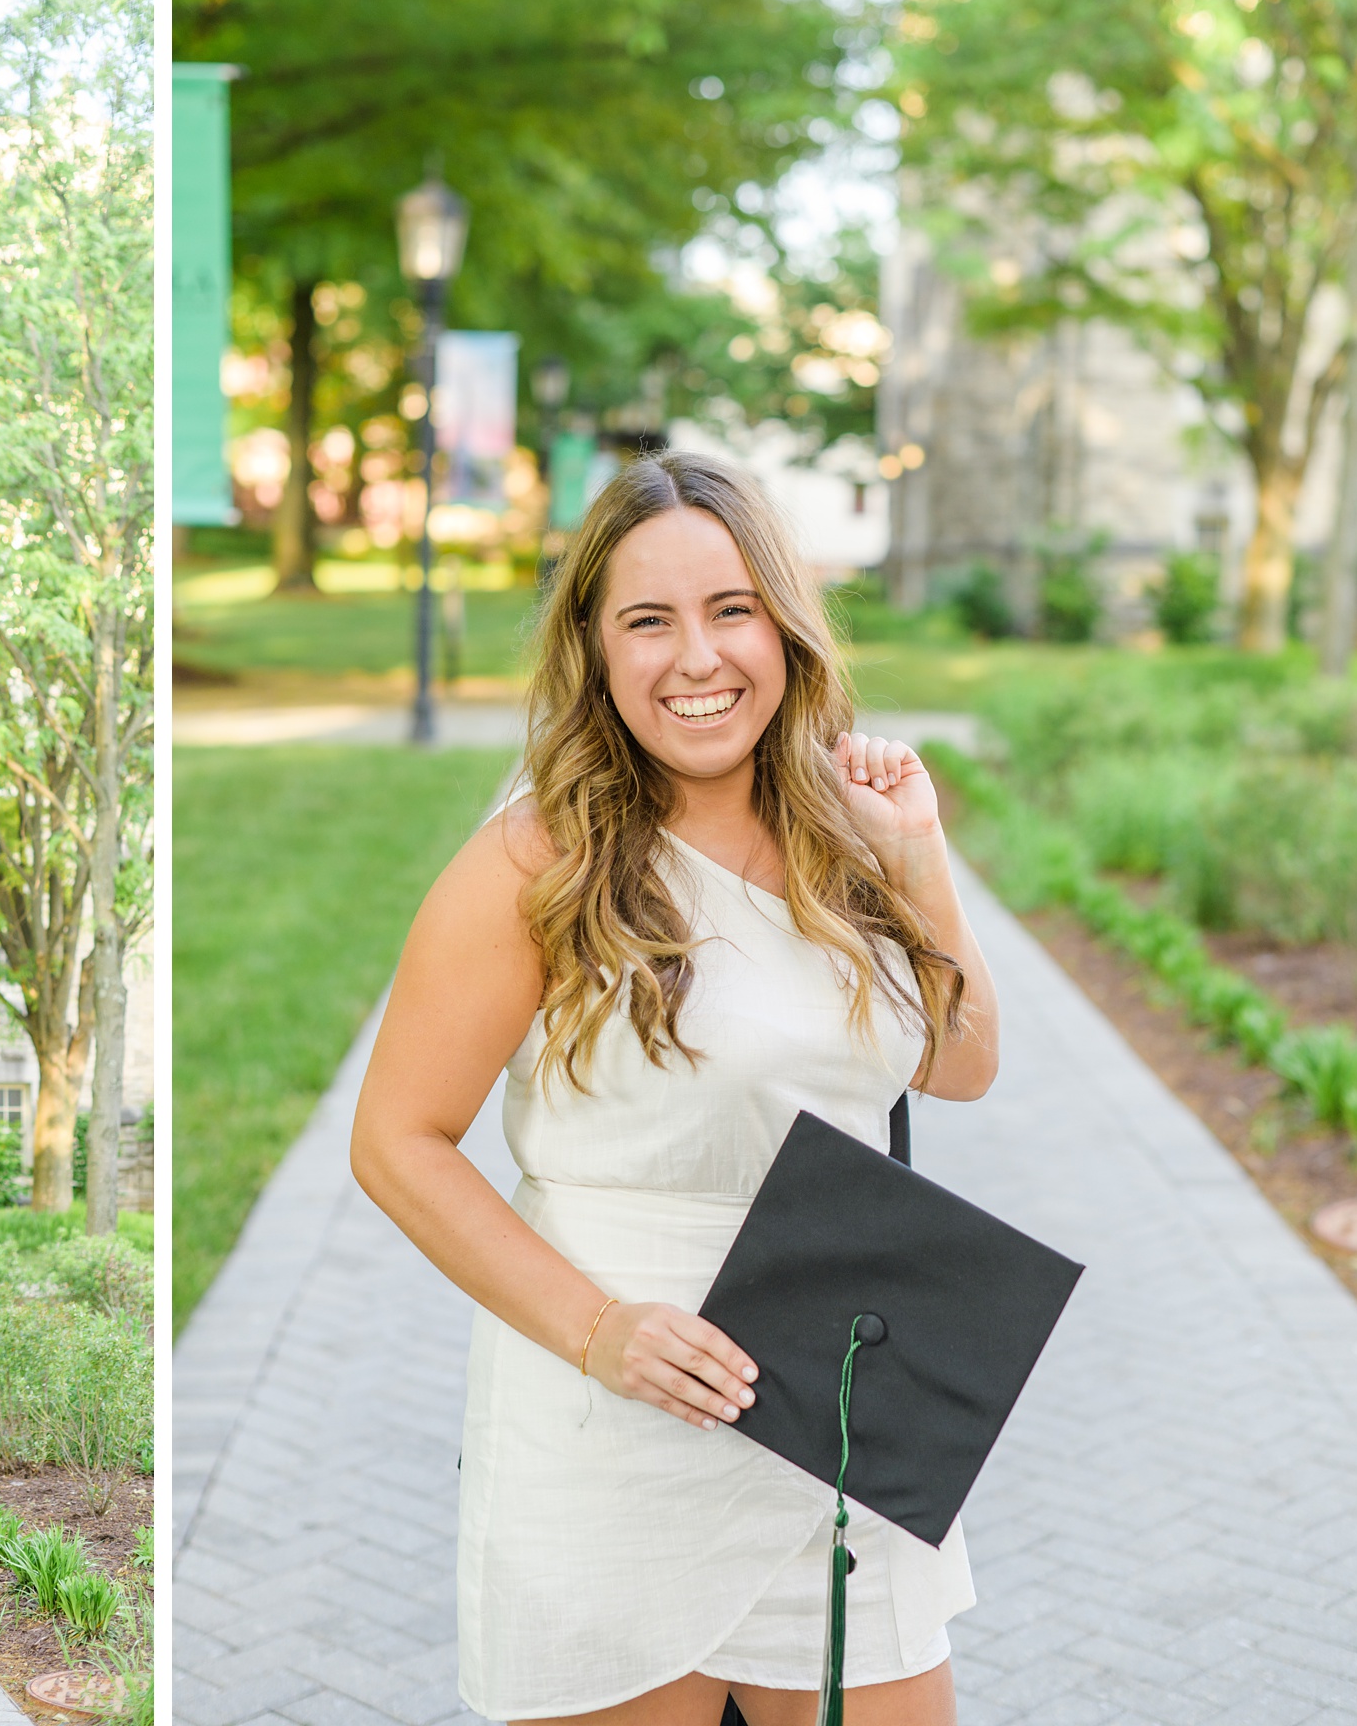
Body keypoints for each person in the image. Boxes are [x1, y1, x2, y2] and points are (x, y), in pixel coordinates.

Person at [350, 450, 1000, 1726]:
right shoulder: (538, 857)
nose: (696, 657)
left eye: (730, 609)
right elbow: (396, 1141)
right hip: (615, 1423)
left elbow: (961, 1062)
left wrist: (920, 855)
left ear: (785, 624)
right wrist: (603, 1331)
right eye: (648, 620)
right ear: (596, 649)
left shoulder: (843, 826)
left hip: (840, 1413)